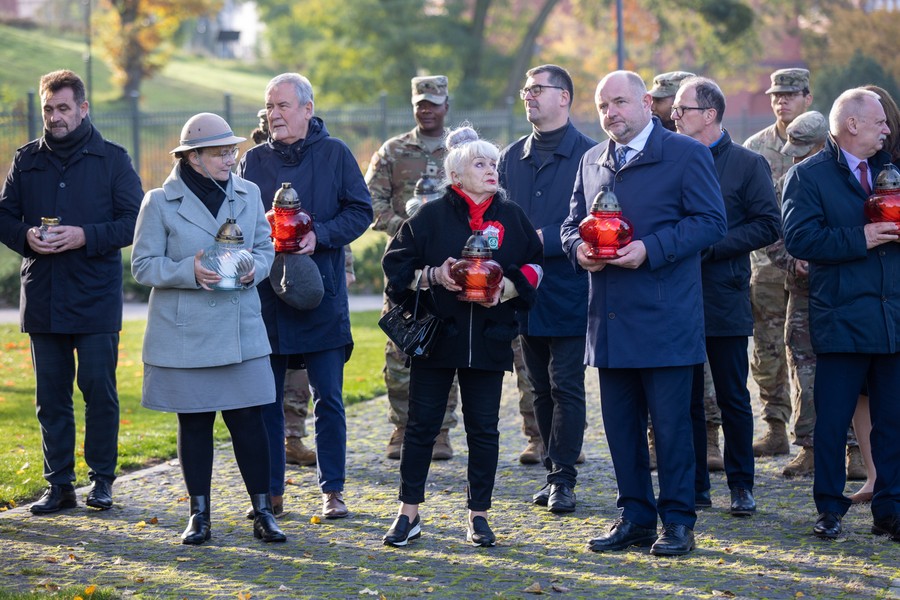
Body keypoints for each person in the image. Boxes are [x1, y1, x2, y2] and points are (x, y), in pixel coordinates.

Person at [561, 70, 726, 556]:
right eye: (601, 106)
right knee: (621, 429)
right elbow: (572, 223)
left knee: (672, 428)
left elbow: (711, 222)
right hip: (608, 321)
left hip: (666, 318)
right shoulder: (592, 159)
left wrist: (650, 248)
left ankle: (677, 521)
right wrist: (578, 252)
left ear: (646, 103)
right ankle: (634, 516)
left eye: (618, 102)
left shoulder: (686, 154)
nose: (610, 113)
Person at [381, 125, 543, 548]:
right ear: (457, 174)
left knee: (484, 430)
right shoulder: (429, 216)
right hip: (437, 339)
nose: (491, 170)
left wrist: (505, 289)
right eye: (480, 163)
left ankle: (479, 515)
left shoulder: (512, 216)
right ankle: (408, 514)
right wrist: (433, 275)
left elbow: (536, 266)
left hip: (490, 338)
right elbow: (394, 268)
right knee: (421, 428)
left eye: (493, 163)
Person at [131, 112, 284, 544]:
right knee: (194, 424)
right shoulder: (159, 201)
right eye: (220, 153)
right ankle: (199, 515)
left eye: (232, 151)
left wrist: (255, 268)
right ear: (193, 157)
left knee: (249, 421)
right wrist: (189, 271)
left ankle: (263, 511)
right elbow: (142, 266)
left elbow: (264, 247)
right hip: (185, 334)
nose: (230, 159)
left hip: (240, 328)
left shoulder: (249, 192)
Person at [0, 70, 143, 515]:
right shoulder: (26, 161)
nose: (55, 117)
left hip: (95, 296)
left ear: (83, 108)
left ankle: (102, 481)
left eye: (63, 108)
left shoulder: (113, 159)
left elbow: (134, 219)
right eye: (48, 109)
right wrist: (26, 236)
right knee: (50, 397)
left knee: (99, 389)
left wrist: (86, 235)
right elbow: (3, 216)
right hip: (43, 295)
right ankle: (59, 485)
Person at [239, 73, 373, 519]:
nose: (274, 114)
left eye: (282, 106)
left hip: (323, 294)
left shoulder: (335, 154)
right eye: (269, 107)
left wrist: (322, 234)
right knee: (266, 402)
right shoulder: (254, 161)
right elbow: (236, 221)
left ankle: (333, 490)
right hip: (268, 299)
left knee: (329, 400)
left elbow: (361, 210)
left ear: (307, 109)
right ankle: (271, 494)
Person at [782, 87, 898, 541]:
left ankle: (890, 511)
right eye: (880, 122)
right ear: (852, 125)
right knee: (831, 423)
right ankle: (829, 508)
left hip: (894, 318)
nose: (888, 129)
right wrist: (862, 238)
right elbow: (801, 240)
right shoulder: (808, 177)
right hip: (842, 319)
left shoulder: (894, 169)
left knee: (894, 423)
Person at [672, 77, 781, 515]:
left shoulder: (746, 164)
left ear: (710, 115)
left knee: (733, 395)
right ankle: (696, 485)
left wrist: (712, 245)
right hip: (675, 295)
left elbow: (768, 224)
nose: (673, 116)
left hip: (724, 293)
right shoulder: (670, 159)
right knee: (685, 396)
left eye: (682, 109)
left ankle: (741, 485)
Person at [498, 64, 595, 513]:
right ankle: (552, 470)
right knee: (537, 387)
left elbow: (599, 221)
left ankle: (565, 479)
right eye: (525, 88)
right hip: (524, 290)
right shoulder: (510, 156)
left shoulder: (591, 156)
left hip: (571, 285)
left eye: (537, 89)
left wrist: (546, 238)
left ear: (564, 97)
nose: (529, 96)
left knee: (567, 386)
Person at [365, 75, 459, 461]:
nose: (427, 109)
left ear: (446, 106)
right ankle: (402, 428)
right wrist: (409, 231)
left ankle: (440, 432)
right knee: (401, 346)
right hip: (405, 265)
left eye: (434, 102)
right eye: (421, 102)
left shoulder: (462, 151)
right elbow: (371, 203)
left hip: (451, 265)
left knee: (447, 346)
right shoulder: (393, 151)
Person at [743, 68, 813, 459]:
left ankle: (816, 438)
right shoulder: (755, 147)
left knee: (808, 352)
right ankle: (774, 427)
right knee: (767, 350)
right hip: (767, 268)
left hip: (813, 267)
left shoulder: (825, 143)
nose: (781, 101)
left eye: (790, 94)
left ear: (808, 97)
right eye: (775, 95)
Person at [764, 110, 828, 478]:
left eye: (806, 149)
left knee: (850, 367)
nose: (797, 155)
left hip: (842, 288)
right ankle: (810, 447)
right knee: (801, 363)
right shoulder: (788, 179)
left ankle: (855, 449)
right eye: (794, 149)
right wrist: (791, 261)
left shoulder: (847, 178)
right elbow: (771, 228)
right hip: (801, 289)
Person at [847, 84, 900, 504]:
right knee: (864, 393)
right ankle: (874, 475)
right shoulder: (843, 165)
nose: (880, 129)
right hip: (863, 293)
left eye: (884, 121)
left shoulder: (892, 164)